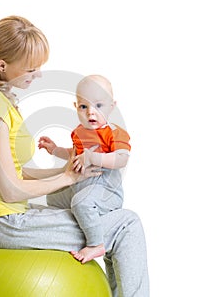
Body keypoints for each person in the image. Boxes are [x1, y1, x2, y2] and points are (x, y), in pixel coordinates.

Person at [0, 15, 149, 296]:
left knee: (96, 213)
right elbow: (11, 190)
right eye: (31, 69)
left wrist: (70, 173)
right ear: (3, 65)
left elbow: (16, 173)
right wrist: (65, 178)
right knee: (126, 224)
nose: (37, 75)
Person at [38, 74, 130, 264]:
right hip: (81, 182)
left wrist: (93, 157)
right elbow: (75, 154)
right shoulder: (79, 132)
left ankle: (96, 243)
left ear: (112, 106)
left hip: (104, 189)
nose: (91, 113)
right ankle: (70, 230)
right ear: (76, 107)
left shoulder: (113, 132)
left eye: (98, 106)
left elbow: (122, 159)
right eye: (84, 106)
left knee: (81, 203)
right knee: (53, 197)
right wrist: (55, 150)